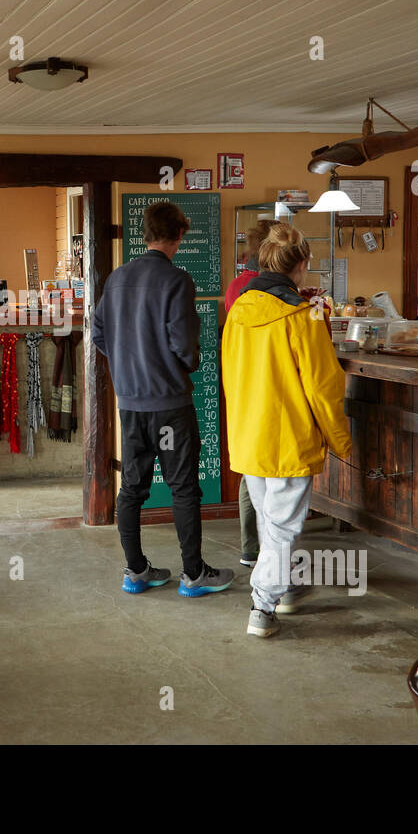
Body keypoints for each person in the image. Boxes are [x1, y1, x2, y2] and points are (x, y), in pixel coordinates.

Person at [91, 200, 234, 598]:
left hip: (131, 404)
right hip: (169, 405)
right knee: (183, 487)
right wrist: (185, 363)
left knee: (132, 487)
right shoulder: (177, 280)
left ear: (145, 234)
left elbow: (99, 332)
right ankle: (193, 575)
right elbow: (185, 344)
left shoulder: (117, 278)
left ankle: (136, 571)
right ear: (179, 235)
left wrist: (126, 363)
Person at [221, 224, 352, 637]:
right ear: (302, 265)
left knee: (270, 521)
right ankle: (263, 605)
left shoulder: (239, 310)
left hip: (249, 434)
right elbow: (324, 385)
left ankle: (287, 587)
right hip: (289, 436)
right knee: (284, 526)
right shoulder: (305, 314)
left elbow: (230, 376)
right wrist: (341, 440)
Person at [223, 218, 274, 568]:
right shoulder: (270, 289)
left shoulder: (237, 285)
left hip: (243, 384)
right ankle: (271, 550)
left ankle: (250, 546)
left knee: (250, 469)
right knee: (271, 474)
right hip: (270, 387)